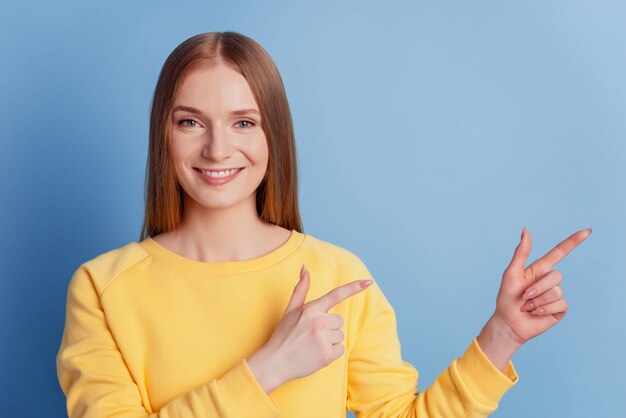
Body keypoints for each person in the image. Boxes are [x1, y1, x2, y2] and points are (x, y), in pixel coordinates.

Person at [56, 31, 592, 418]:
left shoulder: (337, 274)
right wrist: (270, 367)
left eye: (244, 122)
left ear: (275, 137)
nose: (218, 148)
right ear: (164, 134)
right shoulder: (103, 289)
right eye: (191, 122)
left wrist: (501, 336)